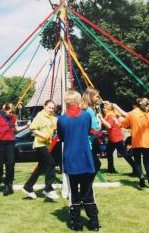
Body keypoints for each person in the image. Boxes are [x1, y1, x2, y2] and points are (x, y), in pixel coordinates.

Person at [57, 90, 100, 231]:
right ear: (77, 100)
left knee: (74, 193)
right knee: (88, 192)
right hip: (86, 158)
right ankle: (94, 223)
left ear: (66, 101)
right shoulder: (86, 116)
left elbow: (62, 138)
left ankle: (77, 225)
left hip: (70, 159)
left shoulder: (61, 119)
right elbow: (89, 131)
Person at [117, 98, 149, 191]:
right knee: (148, 162)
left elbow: (123, 124)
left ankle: (141, 178)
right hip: (147, 141)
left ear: (134, 105)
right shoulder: (146, 113)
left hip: (136, 142)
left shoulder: (131, 114)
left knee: (138, 161)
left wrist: (118, 121)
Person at [0, 103, 28, 196]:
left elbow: (16, 129)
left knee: (10, 164)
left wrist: (26, 126)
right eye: (9, 112)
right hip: (0, 143)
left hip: (10, 143)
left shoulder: (14, 117)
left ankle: (8, 186)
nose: (11, 113)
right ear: (5, 110)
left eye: (12, 112)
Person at [22, 100, 59, 201]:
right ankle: (48, 189)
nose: (51, 110)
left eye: (52, 108)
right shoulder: (40, 115)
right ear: (44, 106)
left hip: (47, 145)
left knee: (41, 167)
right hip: (39, 144)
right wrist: (44, 135)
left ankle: (28, 187)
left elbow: (59, 125)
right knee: (51, 164)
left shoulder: (53, 118)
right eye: (49, 107)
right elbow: (32, 128)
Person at [101, 102, 136, 174]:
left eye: (104, 108)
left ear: (108, 109)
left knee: (125, 154)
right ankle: (111, 169)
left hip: (116, 138)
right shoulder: (110, 115)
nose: (103, 109)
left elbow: (109, 126)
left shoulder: (110, 115)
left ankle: (135, 168)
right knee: (109, 153)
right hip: (113, 138)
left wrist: (101, 119)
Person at [81, 87, 102, 172]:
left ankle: (87, 184)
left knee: (92, 165)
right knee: (96, 164)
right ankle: (87, 185)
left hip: (88, 142)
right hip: (87, 143)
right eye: (97, 96)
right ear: (90, 96)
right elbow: (95, 128)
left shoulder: (86, 109)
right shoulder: (89, 111)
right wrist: (99, 119)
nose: (98, 98)